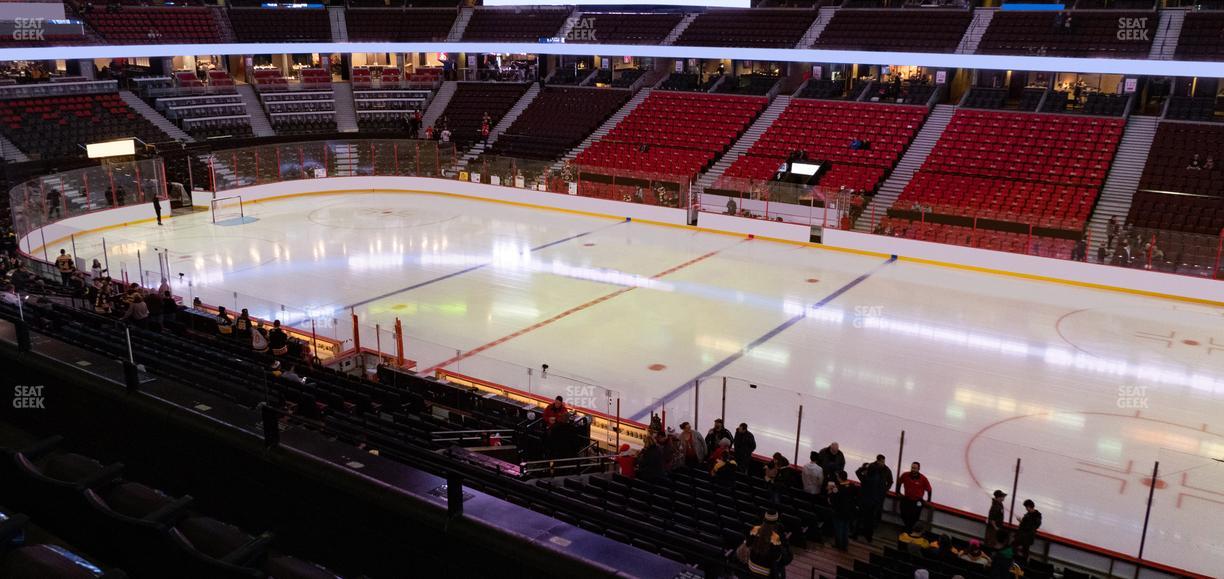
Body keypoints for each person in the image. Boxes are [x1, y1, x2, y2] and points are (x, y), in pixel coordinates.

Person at [855, 454, 893, 541]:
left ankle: (858, 534)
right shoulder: (880, 473)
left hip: (867, 498)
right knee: (870, 518)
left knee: (863, 517)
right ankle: (868, 536)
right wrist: (884, 490)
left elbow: (858, 472)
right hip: (875, 498)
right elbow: (890, 481)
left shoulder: (868, 477)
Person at [740, 511, 788, 578]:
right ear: (776, 522)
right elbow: (777, 558)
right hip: (765, 572)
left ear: (764, 519)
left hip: (751, 566)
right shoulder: (775, 537)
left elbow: (747, 544)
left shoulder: (755, 529)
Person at [898, 461, 933, 532]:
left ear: (918, 469)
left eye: (915, 468)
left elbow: (929, 489)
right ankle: (908, 527)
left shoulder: (923, 479)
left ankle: (908, 529)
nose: (913, 469)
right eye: (912, 468)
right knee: (903, 514)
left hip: (918, 501)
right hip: (907, 498)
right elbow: (899, 482)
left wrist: (928, 501)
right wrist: (898, 492)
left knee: (915, 517)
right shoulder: (905, 475)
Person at [829, 472, 856, 551]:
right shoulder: (852, 486)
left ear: (839, 478)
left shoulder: (837, 488)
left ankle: (839, 545)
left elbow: (832, 500)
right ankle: (845, 545)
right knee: (846, 528)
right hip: (849, 511)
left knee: (839, 528)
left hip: (839, 511)